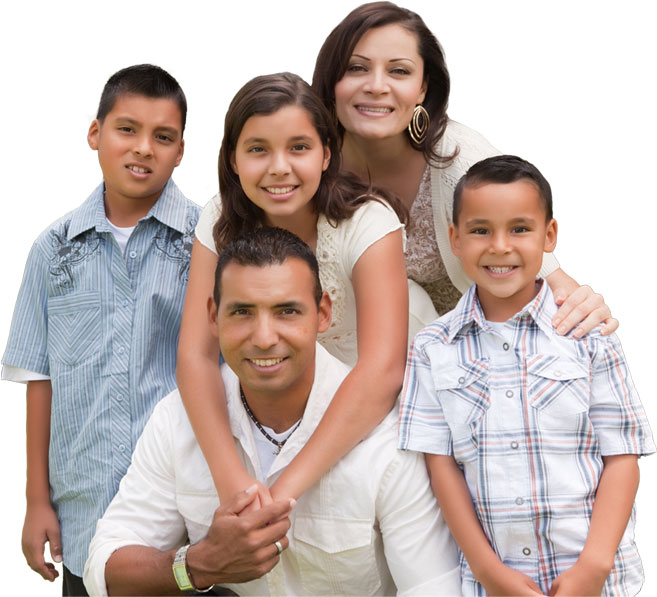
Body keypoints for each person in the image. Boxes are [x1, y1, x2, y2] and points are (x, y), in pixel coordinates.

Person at [83, 227, 461, 596]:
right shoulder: (177, 420)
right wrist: (199, 565)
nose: (264, 338)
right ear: (213, 316)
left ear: (323, 313)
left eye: (287, 311)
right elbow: (105, 568)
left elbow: (433, 587)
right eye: (242, 312)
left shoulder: (389, 441)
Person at [399, 155, 655, 596]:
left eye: (519, 228)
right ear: (455, 239)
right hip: (493, 584)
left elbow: (622, 455)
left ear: (549, 236)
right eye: (480, 230)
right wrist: (488, 572)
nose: (500, 246)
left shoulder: (587, 334)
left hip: (597, 580)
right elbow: (441, 467)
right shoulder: (432, 348)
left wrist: (594, 566)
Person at [178, 72, 436, 508]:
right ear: (233, 159)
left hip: (387, 397)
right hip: (283, 397)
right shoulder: (219, 217)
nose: (280, 167)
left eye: (298, 147)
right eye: (258, 149)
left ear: (325, 154)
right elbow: (195, 354)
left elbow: (382, 369)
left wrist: (282, 492)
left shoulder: (367, 220)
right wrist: (234, 486)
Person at [1, 64, 199, 595]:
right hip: (83, 511)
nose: (143, 148)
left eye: (163, 137)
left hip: (182, 515)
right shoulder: (54, 250)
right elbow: (39, 379)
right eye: (126, 129)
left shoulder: (207, 243)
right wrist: (36, 500)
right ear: (96, 134)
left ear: (181, 150)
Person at [312, 0, 616, 332]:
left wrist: (582, 308)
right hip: (345, 341)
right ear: (332, 80)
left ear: (423, 88)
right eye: (357, 68)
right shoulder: (305, 157)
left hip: (469, 353)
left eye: (399, 71)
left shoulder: (462, 161)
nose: (376, 85)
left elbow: (538, 267)